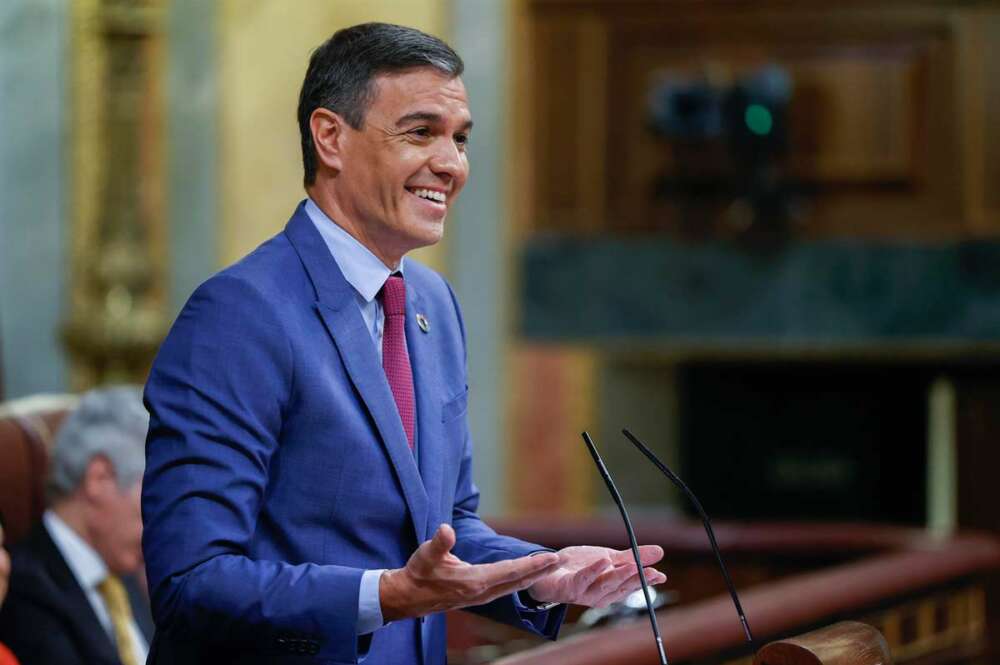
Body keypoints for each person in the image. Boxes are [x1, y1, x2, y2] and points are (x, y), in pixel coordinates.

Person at [141, 22, 666, 665]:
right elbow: (190, 581)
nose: (451, 164)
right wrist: (384, 595)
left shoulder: (433, 305)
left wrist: (539, 572)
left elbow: (449, 525)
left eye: (461, 139)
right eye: (421, 133)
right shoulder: (238, 315)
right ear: (330, 137)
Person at [0, 387, 154, 665]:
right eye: (153, 496)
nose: (161, 520)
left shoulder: (124, 579)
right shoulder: (24, 589)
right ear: (99, 478)